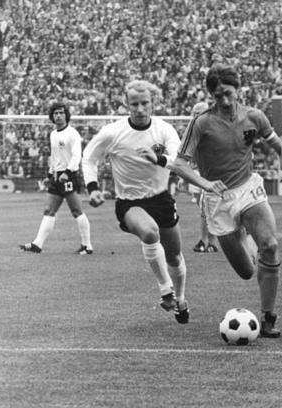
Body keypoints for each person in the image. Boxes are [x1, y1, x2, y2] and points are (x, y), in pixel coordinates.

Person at [171, 64, 282, 338]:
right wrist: (205, 184)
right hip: (218, 200)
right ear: (211, 97)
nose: (225, 101)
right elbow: (179, 165)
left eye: (228, 93)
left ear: (238, 90)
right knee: (247, 271)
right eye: (218, 96)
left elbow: (281, 150)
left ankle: (268, 317)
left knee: (271, 246)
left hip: (248, 189)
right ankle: (242, 236)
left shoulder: (254, 117)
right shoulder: (201, 123)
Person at [81, 80, 189, 324]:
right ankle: (166, 291)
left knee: (174, 256)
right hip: (130, 203)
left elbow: (178, 159)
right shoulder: (113, 132)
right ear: (125, 104)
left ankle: (181, 299)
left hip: (161, 199)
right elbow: (89, 158)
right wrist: (93, 188)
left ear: (153, 103)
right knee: (150, 233)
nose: (140, 109)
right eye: (134, 104)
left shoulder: (164, 130)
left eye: (145, 103)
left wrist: (158, 158)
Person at [20, 102, 93, 255]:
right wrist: (49, 174)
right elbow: (54, 157)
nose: (58, 115)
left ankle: (87, 246)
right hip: (57, 176)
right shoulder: (53, 134)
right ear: (52, 117)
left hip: (69, 175)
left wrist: (67, 172)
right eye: (55, 113)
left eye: (61, 112)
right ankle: (37, 244)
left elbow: (76, 156)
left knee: (76, 210)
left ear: (66, 115)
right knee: (48, 210)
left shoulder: (72, 133)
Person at [188, 101, 218, 254]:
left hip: (216, 175)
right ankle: (208, 241)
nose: (194, 115)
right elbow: (186, 156)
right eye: (193, 113)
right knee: (206, 209)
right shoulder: (193, 131)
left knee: (209, 210)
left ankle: (208, 241)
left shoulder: (214, 129)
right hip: (201, 175)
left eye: (197, 112)